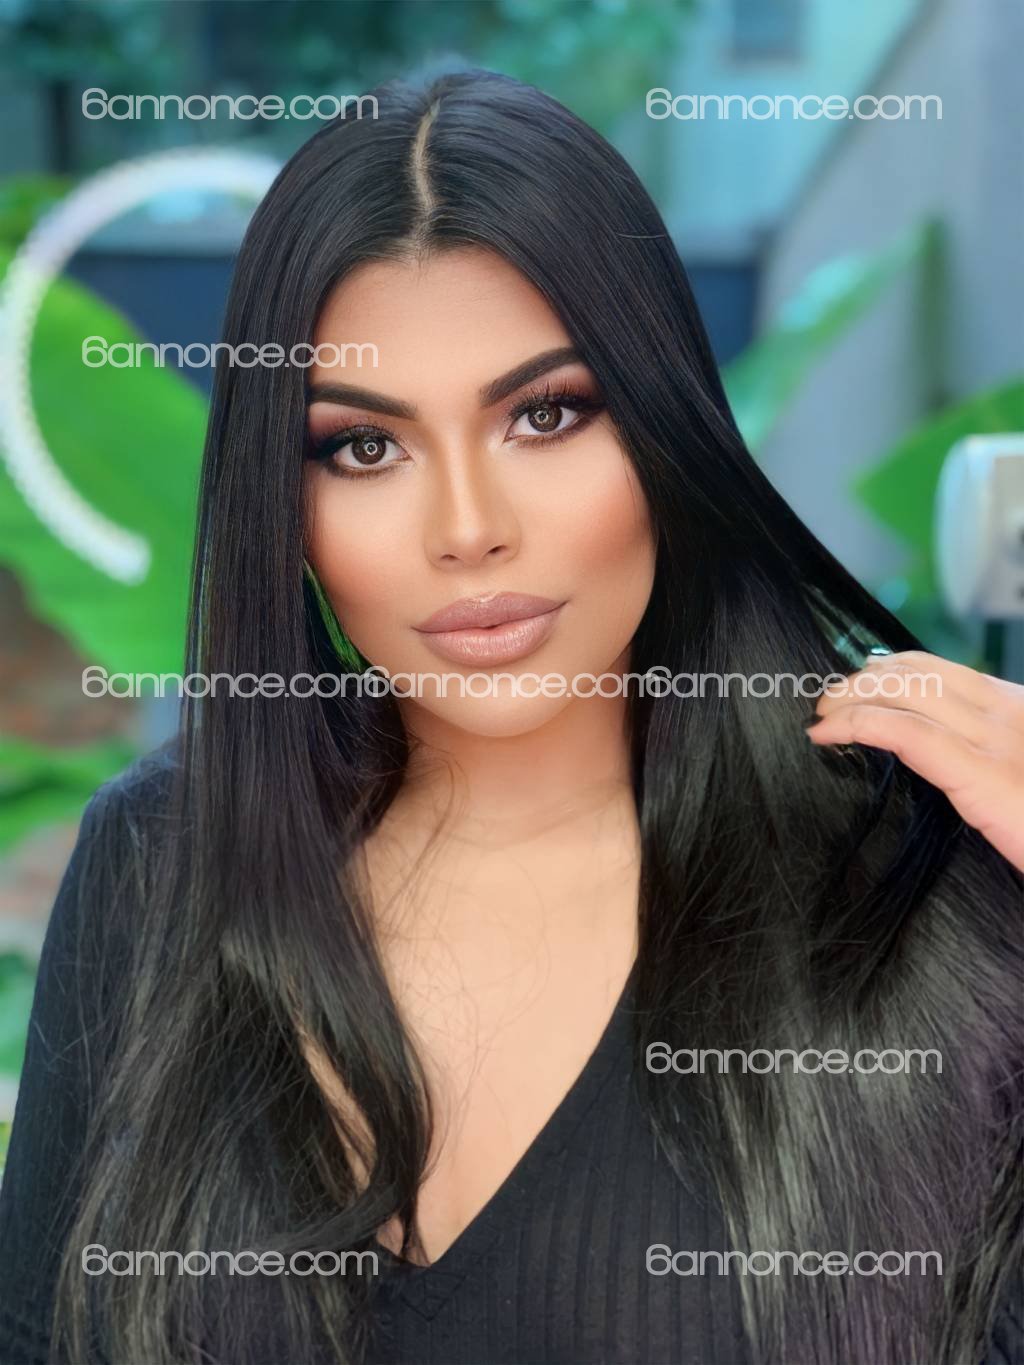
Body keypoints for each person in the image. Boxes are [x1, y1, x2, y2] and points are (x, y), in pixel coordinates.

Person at [0, 68, 1021, 1365]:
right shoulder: (159, 862)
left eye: (546, 414)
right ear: (286, 506)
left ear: (666, 433)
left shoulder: (920, 878)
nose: (468, 527)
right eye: (363, 447)